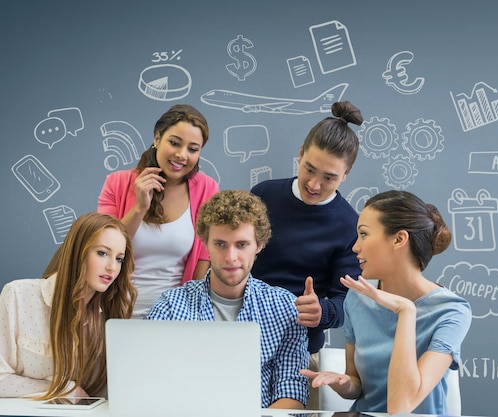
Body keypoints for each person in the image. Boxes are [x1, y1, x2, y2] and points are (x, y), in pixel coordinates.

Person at [301, 190, 472, 415]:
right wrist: (344, 383)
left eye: (364, 234)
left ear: (399, 239)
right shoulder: (357, 297)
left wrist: (406, 311)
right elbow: (356, 383)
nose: (355, 247)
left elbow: (400, 407)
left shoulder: (451, 312)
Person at [145, 190, 309, 409]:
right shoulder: (171, 306)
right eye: (220, 244)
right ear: (205, 244)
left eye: (241, 245)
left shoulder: (284, 307)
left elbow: (292, 391)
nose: (231, 257)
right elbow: (150, 383)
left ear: (259, 245)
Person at [250, 101, 364, 356]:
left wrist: (321, 311)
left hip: (299, 345)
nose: (314, 184)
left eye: (329, 177)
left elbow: (346, 303)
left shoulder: (350, 226)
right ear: (300, 153)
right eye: (309, 169)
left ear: (346, 173)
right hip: (242, 336)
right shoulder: (263, 194)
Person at [98, 104, 219, 318]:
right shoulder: (117, 183)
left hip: (175, 316)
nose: (182, 155)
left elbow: (203, 261)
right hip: (115, 311)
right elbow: (104, 249)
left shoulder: (207, 189)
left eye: (193, 149)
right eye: (174, 143)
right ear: (157, 138)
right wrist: (139, 208)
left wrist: (189, 315)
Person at [0, 212, 136, 399]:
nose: (112, 267)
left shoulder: (110, 316)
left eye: (119, 258)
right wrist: (65, 389)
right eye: (102, 253)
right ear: (78, 251)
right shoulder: (18, 295)